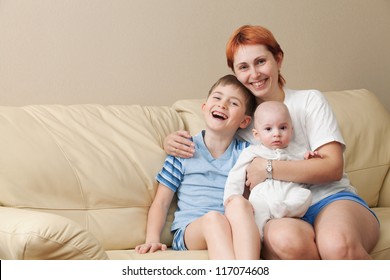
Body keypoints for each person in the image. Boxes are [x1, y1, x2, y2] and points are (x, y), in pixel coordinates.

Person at [164, 25, 380, 259]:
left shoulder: (309, 101)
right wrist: (170, 142)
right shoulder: (241, 122)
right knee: (284, 240)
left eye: (260, 62)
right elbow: (210, 141)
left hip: (329, 198)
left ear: (278, 59)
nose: (254, 74)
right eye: (243, 67)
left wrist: (268, 169)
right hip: (279, 211)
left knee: (336, 244)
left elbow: (332, 167)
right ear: (235, 72)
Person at [135, 74, 260, 259]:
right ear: (205, 107)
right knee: (214, 219)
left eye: (233, 103)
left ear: (244, 121)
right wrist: (152, 238)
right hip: (191, 230)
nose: (222, 105)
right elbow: (161, 202)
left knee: (240, 204)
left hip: (232, 226)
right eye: (217, 98)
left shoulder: (247, 153)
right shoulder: (183, 149)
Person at [224, 101, 317, 239]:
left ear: (291, 130)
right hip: (263, 195)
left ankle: (285, 210)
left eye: (283, 128)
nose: (276, 134)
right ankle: (259, 238)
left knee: (305, 195)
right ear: (256, 134)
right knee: (257, 209)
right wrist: (231, 196)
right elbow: (236, 174)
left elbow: (308, 169)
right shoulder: (252, 152)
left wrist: (310, 157)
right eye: (268, 129)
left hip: (290, 192)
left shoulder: (298, 150)